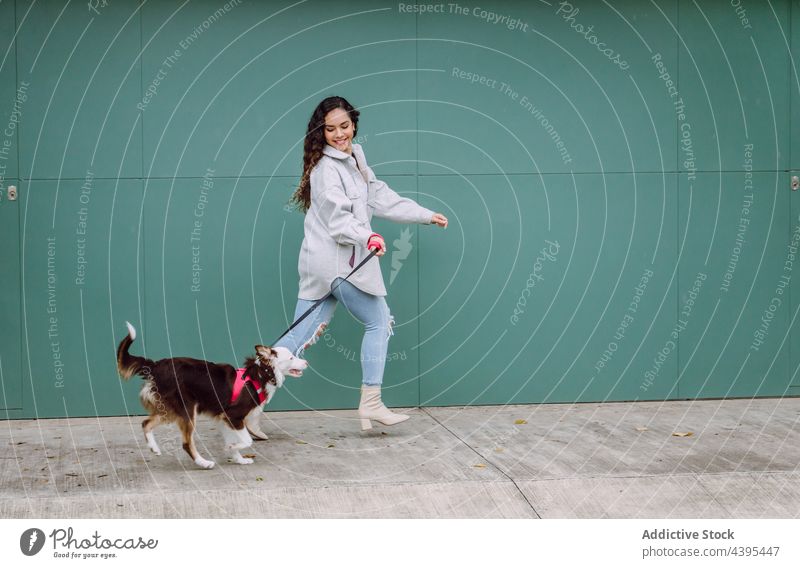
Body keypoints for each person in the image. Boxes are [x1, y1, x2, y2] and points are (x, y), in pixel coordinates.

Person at [278, 95, 448, 430]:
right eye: (330, 129)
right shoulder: (326, 171)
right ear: (320, 133)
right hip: (338, 263)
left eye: (344, 126)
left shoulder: (355, 156)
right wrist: (367, 237)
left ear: (354, 123)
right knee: (378, 321)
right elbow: (339, 220)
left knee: (297, 336)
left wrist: (424, 215)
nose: (339, 134)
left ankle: (244, 399)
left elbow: (379, 196)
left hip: (321, 263)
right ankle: (371, 401)